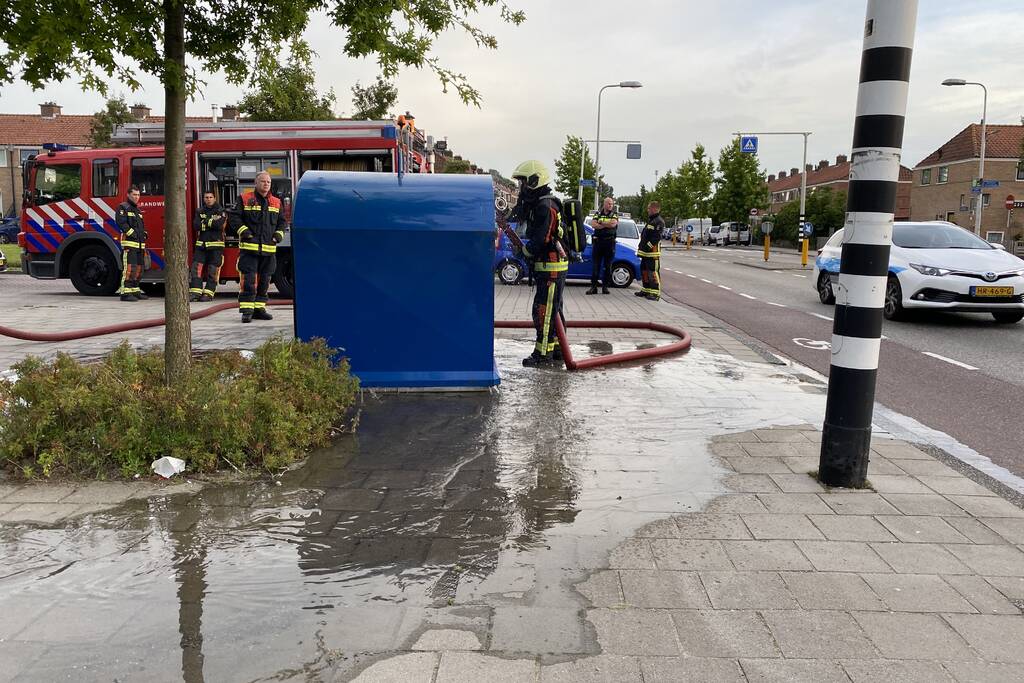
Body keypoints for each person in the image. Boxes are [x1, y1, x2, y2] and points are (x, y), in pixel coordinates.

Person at [510, 160, 567, 367]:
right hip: (547, 267)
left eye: (523, 182)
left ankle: (542, 355)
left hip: (552, 267)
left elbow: (542, 238)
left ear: (534, 181)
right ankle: (559, 350)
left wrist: (525, 251)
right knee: (553, 310)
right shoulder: (537, 203)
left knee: (543, 311)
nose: (521, 187)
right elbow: (518, 217)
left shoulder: (546, 205)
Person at [229, 171, 285, 323]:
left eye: (268, 182)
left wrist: (278, 235)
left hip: (269, 249)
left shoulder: (276, 202)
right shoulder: (244, 199)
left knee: (265, 281)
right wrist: (244, 232)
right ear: (256, 183)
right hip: (249, 249)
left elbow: (282, 222)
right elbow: (233, 218)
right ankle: (247, 311)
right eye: (263, 181)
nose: (266, 184)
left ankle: (259, 308)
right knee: (249, 280)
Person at [189, 190, 227, 302]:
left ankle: (209, 294)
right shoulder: (199, 210)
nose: (208, 199)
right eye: (206, 197)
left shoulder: (221, 210)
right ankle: (195, 293)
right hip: (201, 245)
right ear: (204, 199)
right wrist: (211, 222)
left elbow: (219, 225)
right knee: (196, 269)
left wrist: (204, 222)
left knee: (212, 271)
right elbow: (196, 225)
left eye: (210, 197)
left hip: (216, 246)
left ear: (214, 198)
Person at [115, 185, 147, 302]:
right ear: (128, 195)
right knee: (129, 269)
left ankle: (134, 290)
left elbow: (140, 226)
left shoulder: (137, 210)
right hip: (129, 244)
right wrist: (133, 233)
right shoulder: (123, 207)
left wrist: (144, 233)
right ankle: (125, 292)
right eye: (134, 194)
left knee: (139, 269)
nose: (137, 197)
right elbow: (121, 223)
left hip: (139, 245)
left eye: (138, 195)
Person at [587, 197, 618, 295]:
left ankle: (605, 287)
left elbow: (613, 224)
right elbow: (593, 224)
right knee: (596, 265)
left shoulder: (614, 214)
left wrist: (600, 222)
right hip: (598, 243)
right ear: (604, 204)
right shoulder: (597, 214)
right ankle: (593, 287)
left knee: (607, 266)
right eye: (609, 203)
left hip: (609, 243)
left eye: (612, 204)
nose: (610, 205)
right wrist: (605, 224)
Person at [636, 201, 664, 301]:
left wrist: (647, 247)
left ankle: (655, 293)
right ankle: (646, 289)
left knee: (653, 272)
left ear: (654, 209)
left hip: (652, 253)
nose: (648, 210)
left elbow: (656, 237)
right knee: (644, 271)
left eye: (649, 208)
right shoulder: (651, 220)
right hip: (645, 253)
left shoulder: (658, 221)